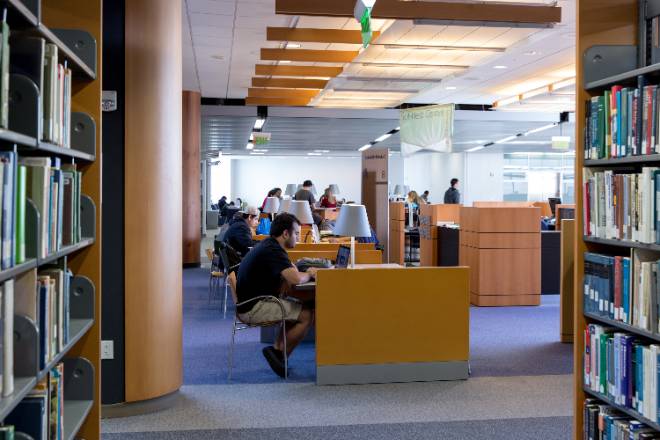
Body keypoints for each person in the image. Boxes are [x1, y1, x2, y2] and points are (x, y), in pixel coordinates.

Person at [236, 213, 316, 377]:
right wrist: (309, 273)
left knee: (298, 308)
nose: (298, 238)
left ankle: (278, 355)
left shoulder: (269, 245)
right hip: (253, 307)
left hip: (251, 301)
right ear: (285, 234)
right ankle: (278, 354)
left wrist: (299, 271)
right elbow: (295, 279)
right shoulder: (273, 250)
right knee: (307, 315)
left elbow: (290, 270)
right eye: (296, 234)